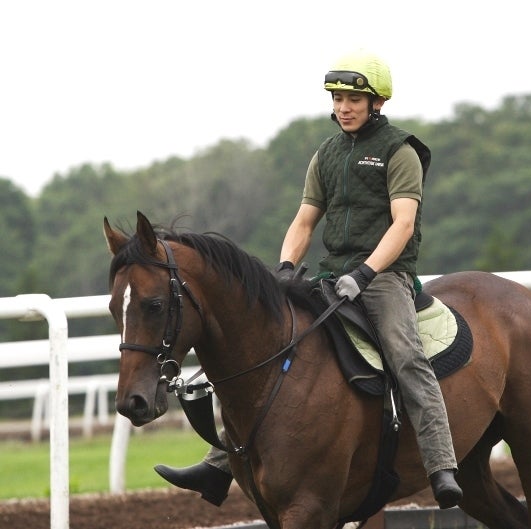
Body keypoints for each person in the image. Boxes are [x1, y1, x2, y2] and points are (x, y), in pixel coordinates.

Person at [154, 49, 463, 510]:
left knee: (405, 356)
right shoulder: (326, 154)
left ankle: (441, 464)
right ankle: (218, 465)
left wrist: (365, 272)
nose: (343, 107)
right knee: (274, 346)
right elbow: (304, 221)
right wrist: (284, 268)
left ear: (377, 101)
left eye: (353, 99)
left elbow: (402, 225)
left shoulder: (401, 152)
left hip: (385, 278)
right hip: (332, 274)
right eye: (338, 99)